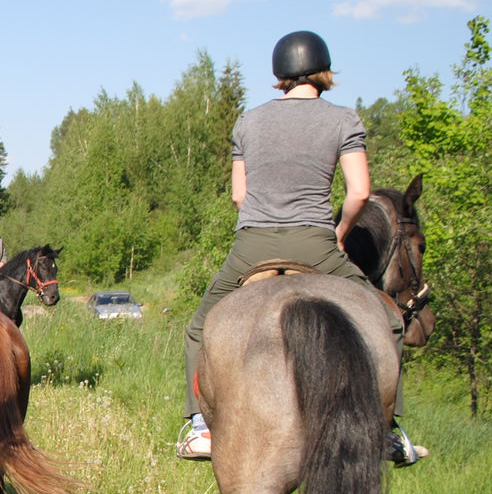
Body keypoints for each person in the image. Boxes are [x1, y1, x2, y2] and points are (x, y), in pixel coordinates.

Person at [176, 30, 423, 465]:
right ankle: (387, 429)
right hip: (315, 241)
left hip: (252, 243)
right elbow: (360, 191)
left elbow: (239, 195)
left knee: (200, 326)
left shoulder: (248, 122)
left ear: (280, 75)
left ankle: (199, 426)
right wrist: (341, 233)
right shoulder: (344, 120)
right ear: (323, 71)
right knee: (389, 319)